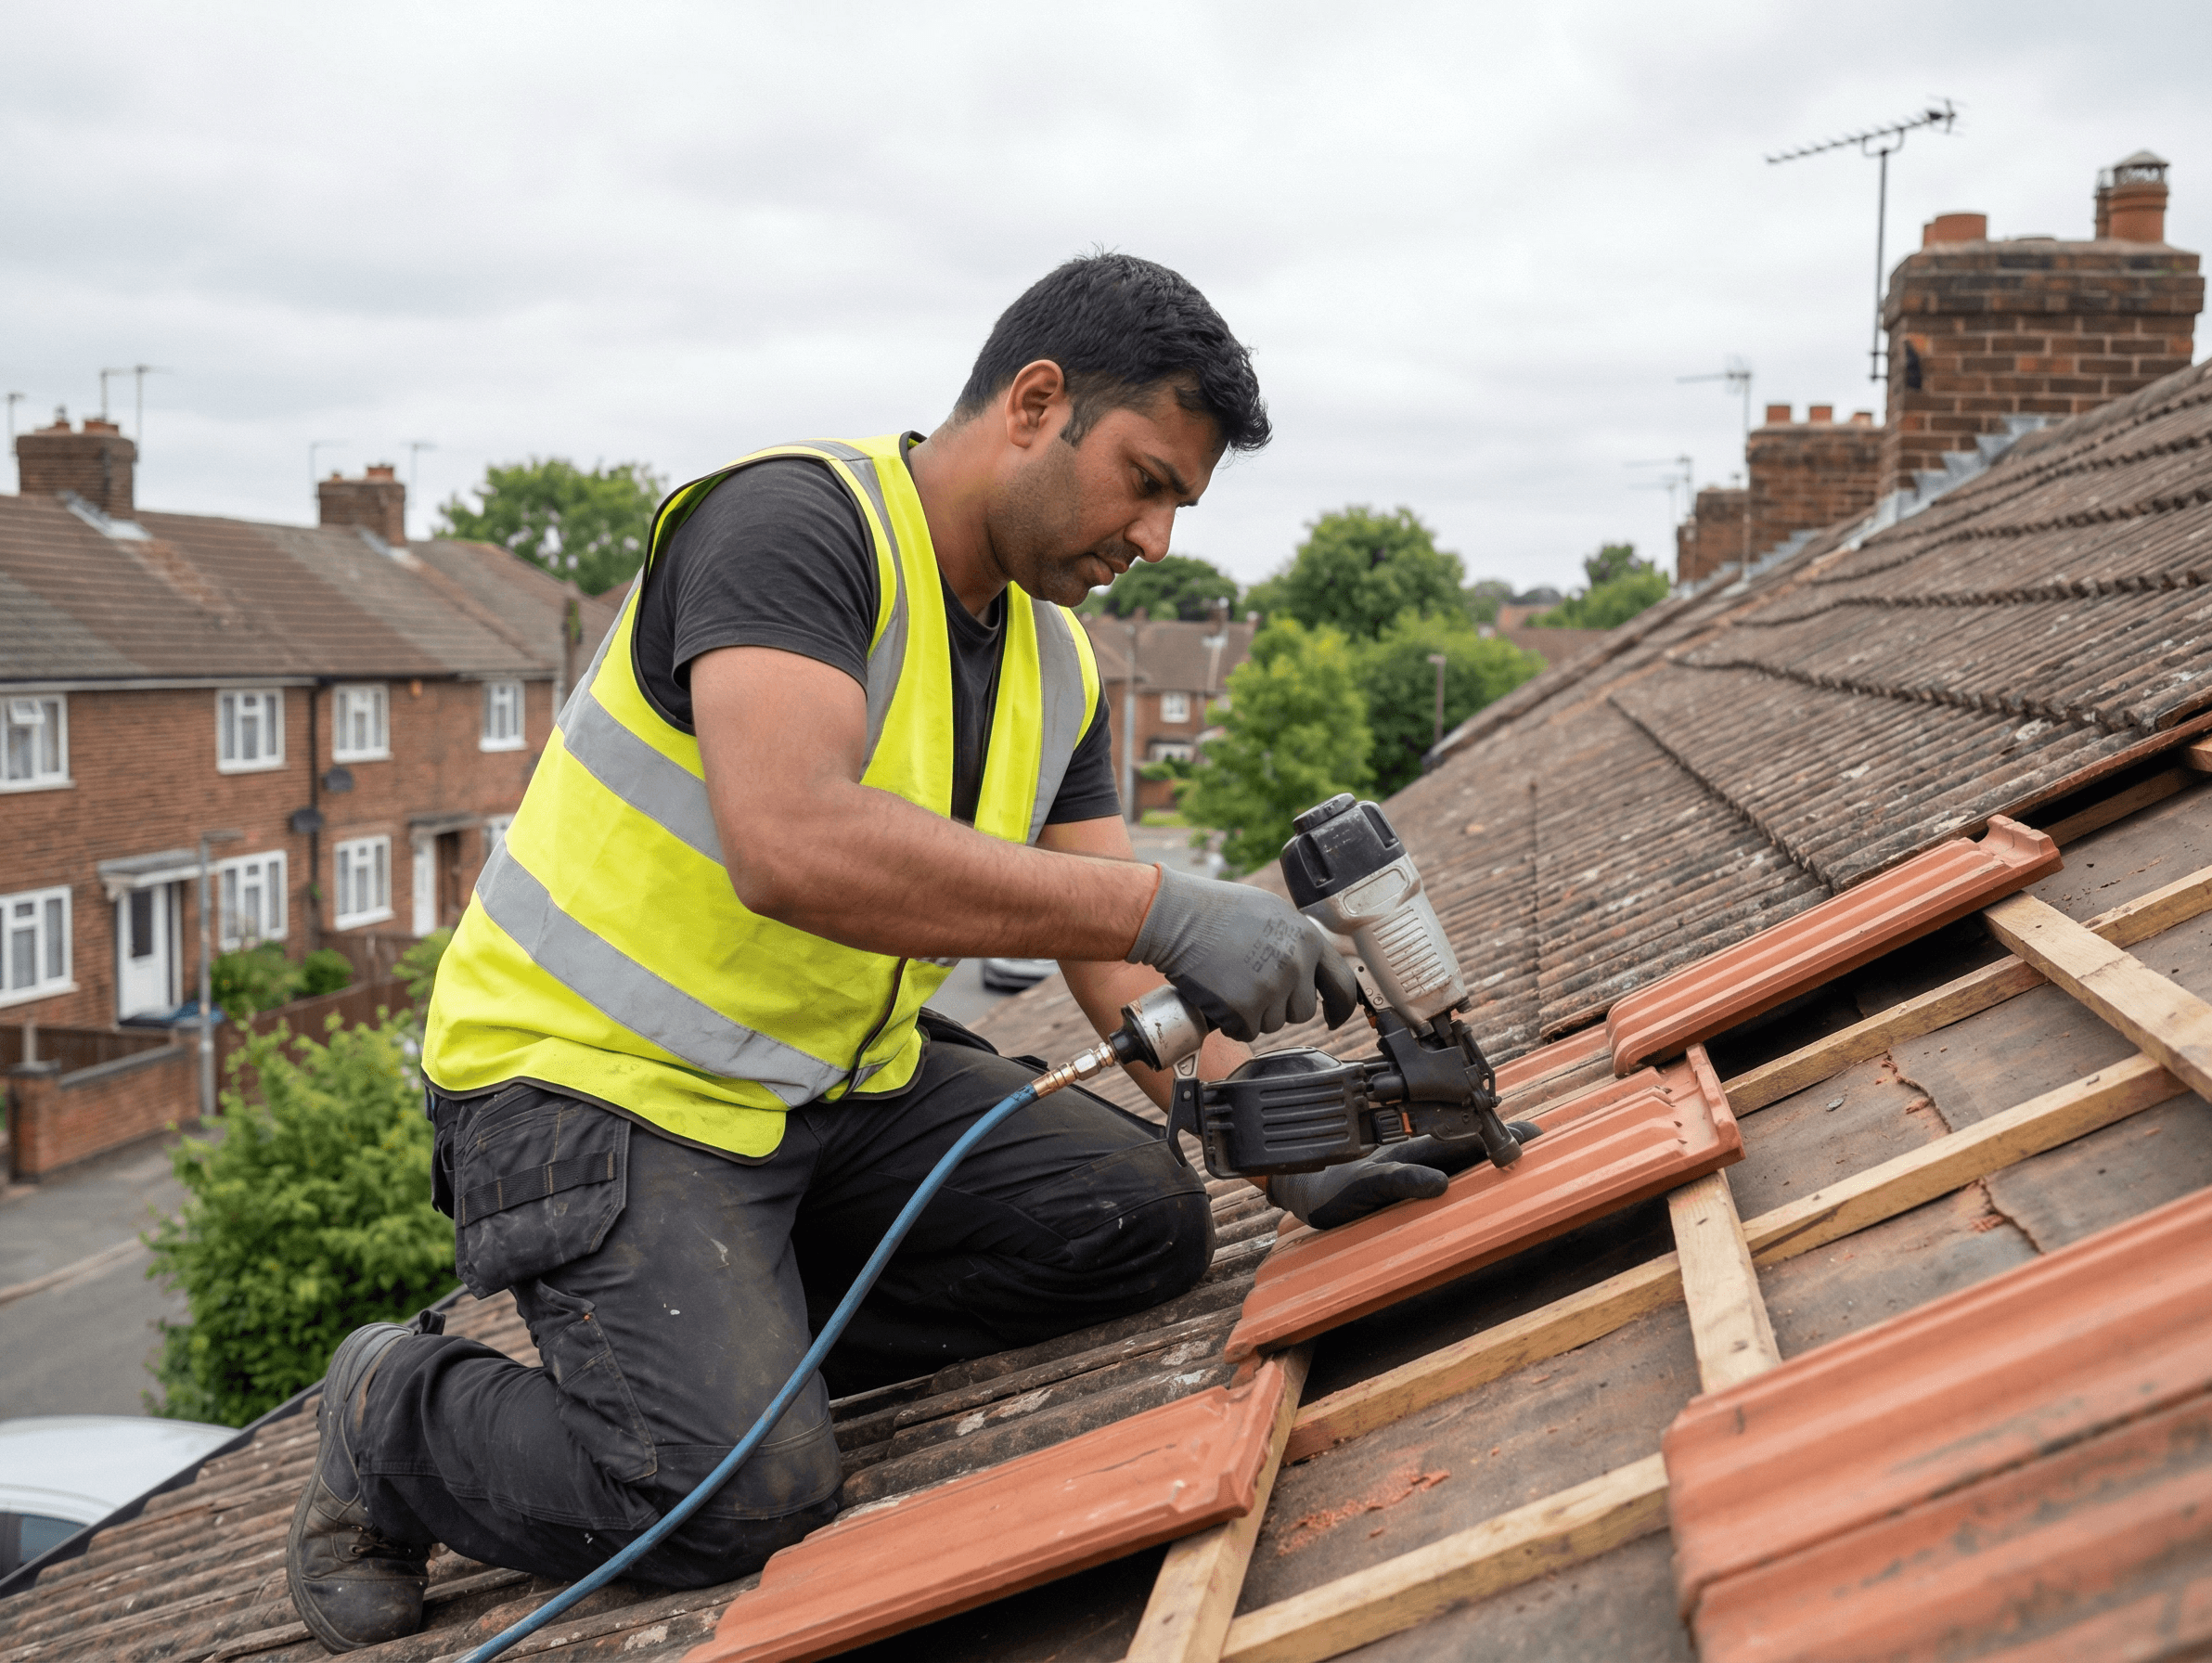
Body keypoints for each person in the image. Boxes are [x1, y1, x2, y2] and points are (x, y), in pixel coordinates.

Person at [286, 254, 1442, 1652]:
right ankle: (391, 1411)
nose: (1156, 537)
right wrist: (1165, 906)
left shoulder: (1057, 659)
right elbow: (793, 841)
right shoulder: (793, 526)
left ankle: (725, 1332)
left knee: (1139, 1222)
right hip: (590, 1090)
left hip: (824, 1098)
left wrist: (1267, 1129)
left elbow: (1112, 961)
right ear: (1034, 404)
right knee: (729, 1494)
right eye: (1144, 480)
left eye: (1179, 505)